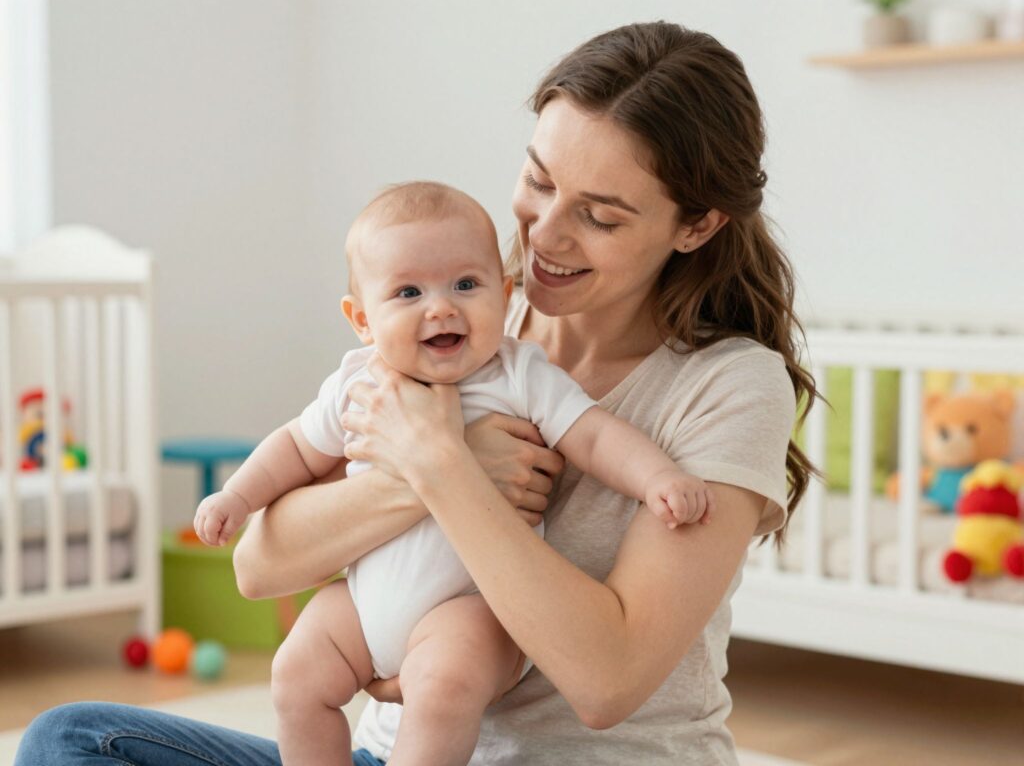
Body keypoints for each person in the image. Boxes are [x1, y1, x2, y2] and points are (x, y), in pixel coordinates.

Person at [14, 20, 815, 766]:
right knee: (72, 740)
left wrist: (443, 469)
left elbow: (605, 683)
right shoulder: (449, 325)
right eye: (538, 181)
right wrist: (425, 474)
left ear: (697, 226)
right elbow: (261, 563)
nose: (544, 234)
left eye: (600, 217)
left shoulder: (728, 384)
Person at [192, 179, 714, 766]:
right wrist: (236, 495)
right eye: (408, 292)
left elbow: (593, 434)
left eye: (466, 285)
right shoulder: (358, 383)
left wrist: (656, 479)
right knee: (293, 673)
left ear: (504, 292)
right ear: (362, 319)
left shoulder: (517, 374)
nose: (440, 306)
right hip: (363, 606)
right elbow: (294, 448)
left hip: (468, 608)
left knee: (442, 689)